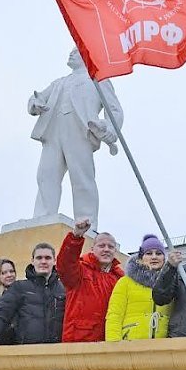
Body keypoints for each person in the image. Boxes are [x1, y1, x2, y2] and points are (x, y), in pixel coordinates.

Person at [28, 47, 124, 234]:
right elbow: (37, 97)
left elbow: (114, 110)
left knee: (81, 176)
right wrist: (35, 104)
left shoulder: (97, 80)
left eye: (76, 51)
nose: (71, 54)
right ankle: (42, 216)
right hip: (53, 130)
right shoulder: (59, 83)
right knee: (46, 175)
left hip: (80, 130)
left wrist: (110, 129)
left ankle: (86, 221)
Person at [0, 243, 65, 349]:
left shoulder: (64, 289)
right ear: (32, 261)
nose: (43, 261)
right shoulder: (19, 287)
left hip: (57, 354)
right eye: (39, 258)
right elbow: (0, 314)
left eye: (47, 258)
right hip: (26, 354)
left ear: (54, 261)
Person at [56, 218, 123, 342]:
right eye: (101, 246)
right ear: (92, 249)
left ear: (115, 251)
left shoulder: (120, 279)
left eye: (110, 247)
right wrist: (76, 236)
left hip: (110, 342)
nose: (106, 249)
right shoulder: (80, 271)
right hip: (79, 342)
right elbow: (65, 263)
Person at [106, 234, 172, 341]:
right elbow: (114, 316)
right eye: (149, 253)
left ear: (164, 258)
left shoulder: (171, 283)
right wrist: (114, 346)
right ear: (141, 258)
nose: (154, 257)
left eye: (158, 253)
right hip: (131, 345)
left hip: (163, 347)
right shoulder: (125, 282)